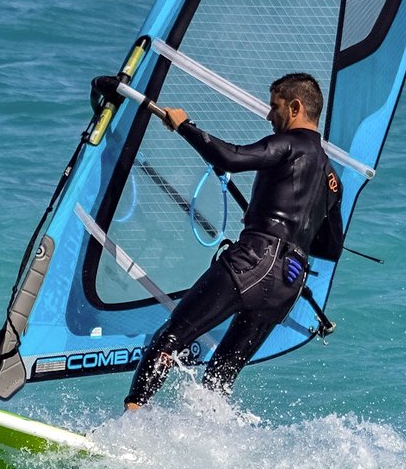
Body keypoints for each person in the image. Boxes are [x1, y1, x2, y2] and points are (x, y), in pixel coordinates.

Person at [124, 71, 343, 409]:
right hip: (290, 282)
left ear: (296, 107)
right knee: (220, 375)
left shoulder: (289, 144)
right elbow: (330, 248)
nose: (270, 116)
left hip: (254, 261)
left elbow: (231, 157)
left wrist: (185, 126)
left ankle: (129, 423)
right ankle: (210, 444)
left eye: (275, 107)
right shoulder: (332, 179)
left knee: (170, 338)